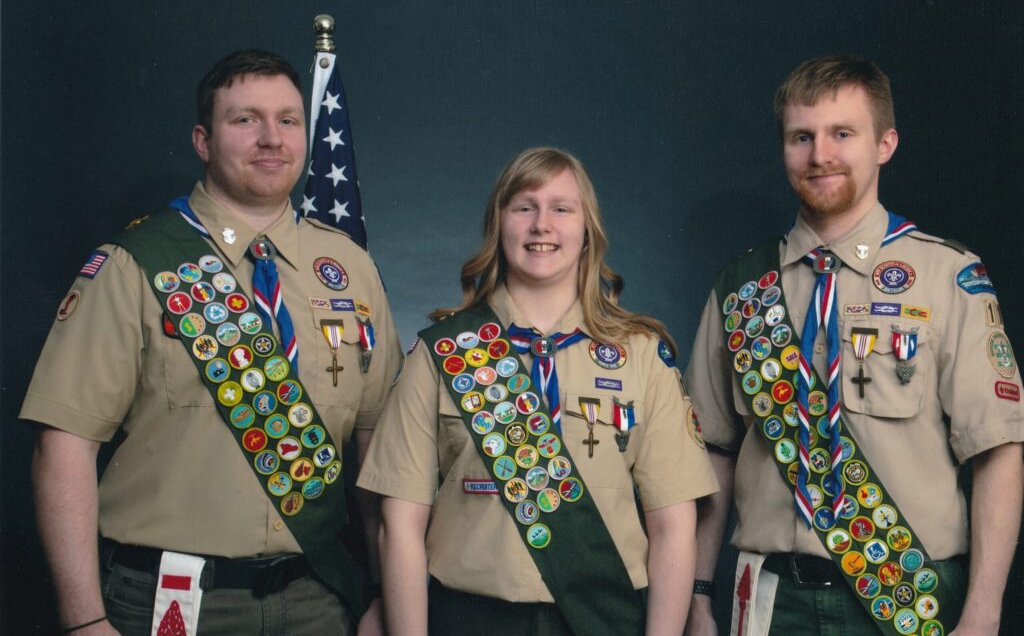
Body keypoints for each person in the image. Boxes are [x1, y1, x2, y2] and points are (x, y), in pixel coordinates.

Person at [20, 49, 402, 636]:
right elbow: (63, 448)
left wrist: (384, 593)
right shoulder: (135, 265)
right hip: (169, 601)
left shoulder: (350, 268)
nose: (272, 138)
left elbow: (379, 454)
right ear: (202, 140)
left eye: (289, 120)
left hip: (320, 599)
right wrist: (83, 621)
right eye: (246, 119)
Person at [683, 56, 1023, 636]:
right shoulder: (742, 288)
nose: (821, 155)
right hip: (768, 600)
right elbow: (709, 455)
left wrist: (985, 612)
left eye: (843, 133)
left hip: (907, 598)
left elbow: (998, 449)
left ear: (885, 143)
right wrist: (696, 596)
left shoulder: (946, 275)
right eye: (802, 137)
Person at [357, 146, 718, 635]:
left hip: (603, 617)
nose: (541, 224)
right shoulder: (441, 353)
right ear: (499, 224)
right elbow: (398, 526)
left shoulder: (641, 357)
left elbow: (674, 530)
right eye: (524, 206)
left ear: (587, 229)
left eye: (561, 208)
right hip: (468, 618)